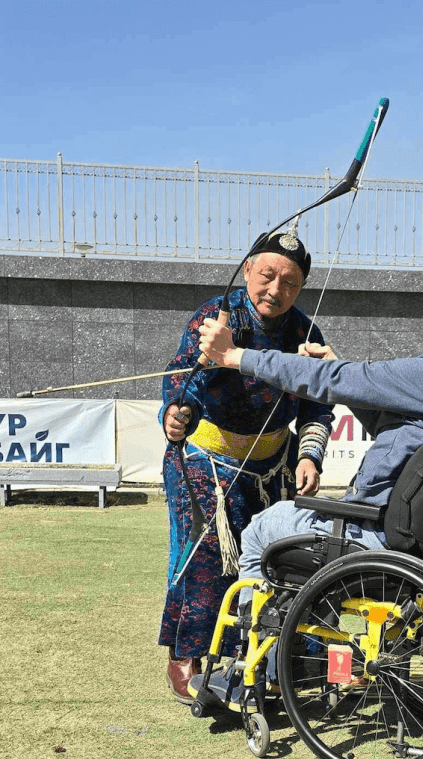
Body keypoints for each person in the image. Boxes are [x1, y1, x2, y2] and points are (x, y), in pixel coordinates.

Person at [198, 290, 423, 686]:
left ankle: (251, 668)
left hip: (374, 535)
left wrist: (235, 356)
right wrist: (338, 370)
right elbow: (392, 427)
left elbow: (338, 379)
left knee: (262, 527)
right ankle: (300, 659)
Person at [159, 228, 334, 703]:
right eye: (267, 275)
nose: (276, 290)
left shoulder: (305, 332)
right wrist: (177, 414)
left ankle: (255, 656)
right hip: (205, 461)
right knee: (208, 557)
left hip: (273, 465)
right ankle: (188, 655)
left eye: (291, 282)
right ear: (249, 268)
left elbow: (318, 404)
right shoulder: (215, 316)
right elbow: (183, 380)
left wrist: (308, 454)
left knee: (274, 561)